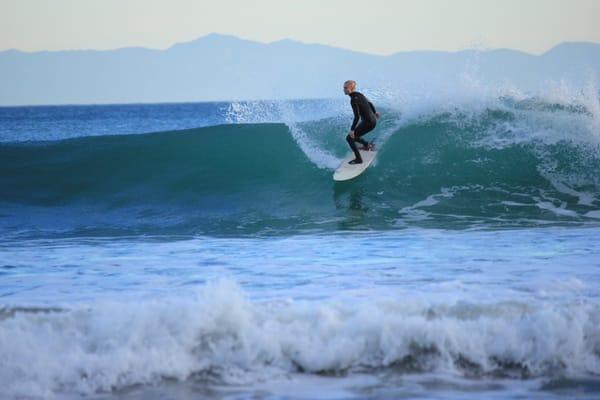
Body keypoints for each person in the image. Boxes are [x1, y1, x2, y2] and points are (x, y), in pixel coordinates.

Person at [343, 80, 380, 164]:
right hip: (371, 120)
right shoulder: (360, 94)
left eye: (346, 88)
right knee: (354, 136)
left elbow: (357, 116)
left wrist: (352, 129)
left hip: (368, 123)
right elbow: (370, 103)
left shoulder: (353, 100)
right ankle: (367, 145)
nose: (344, 89)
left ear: (351, 88)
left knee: (349, 138)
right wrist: (375, 112)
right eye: (343, 87)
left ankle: (359, 159)